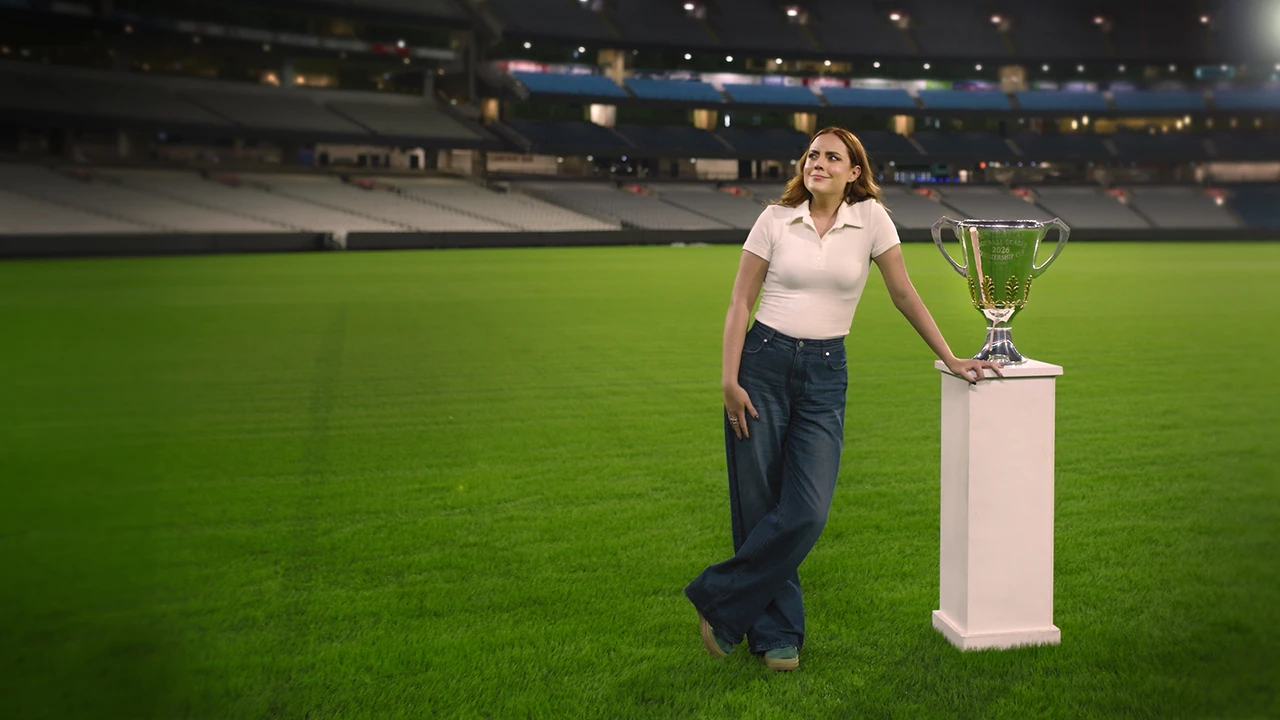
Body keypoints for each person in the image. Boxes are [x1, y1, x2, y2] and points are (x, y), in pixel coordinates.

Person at [684, 127, 1003, 672]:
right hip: (761, 364)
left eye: (833, 157)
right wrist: (728, 380)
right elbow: (740, 302)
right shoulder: (774, 219)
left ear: (854, 172)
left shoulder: (872, 219)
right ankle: (778, 635)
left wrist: (951, 356)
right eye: (813, 155)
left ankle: (718, 596)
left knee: (806, 511)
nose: (819, 163)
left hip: (826, 371)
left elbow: (903, 293)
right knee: (759, 506)